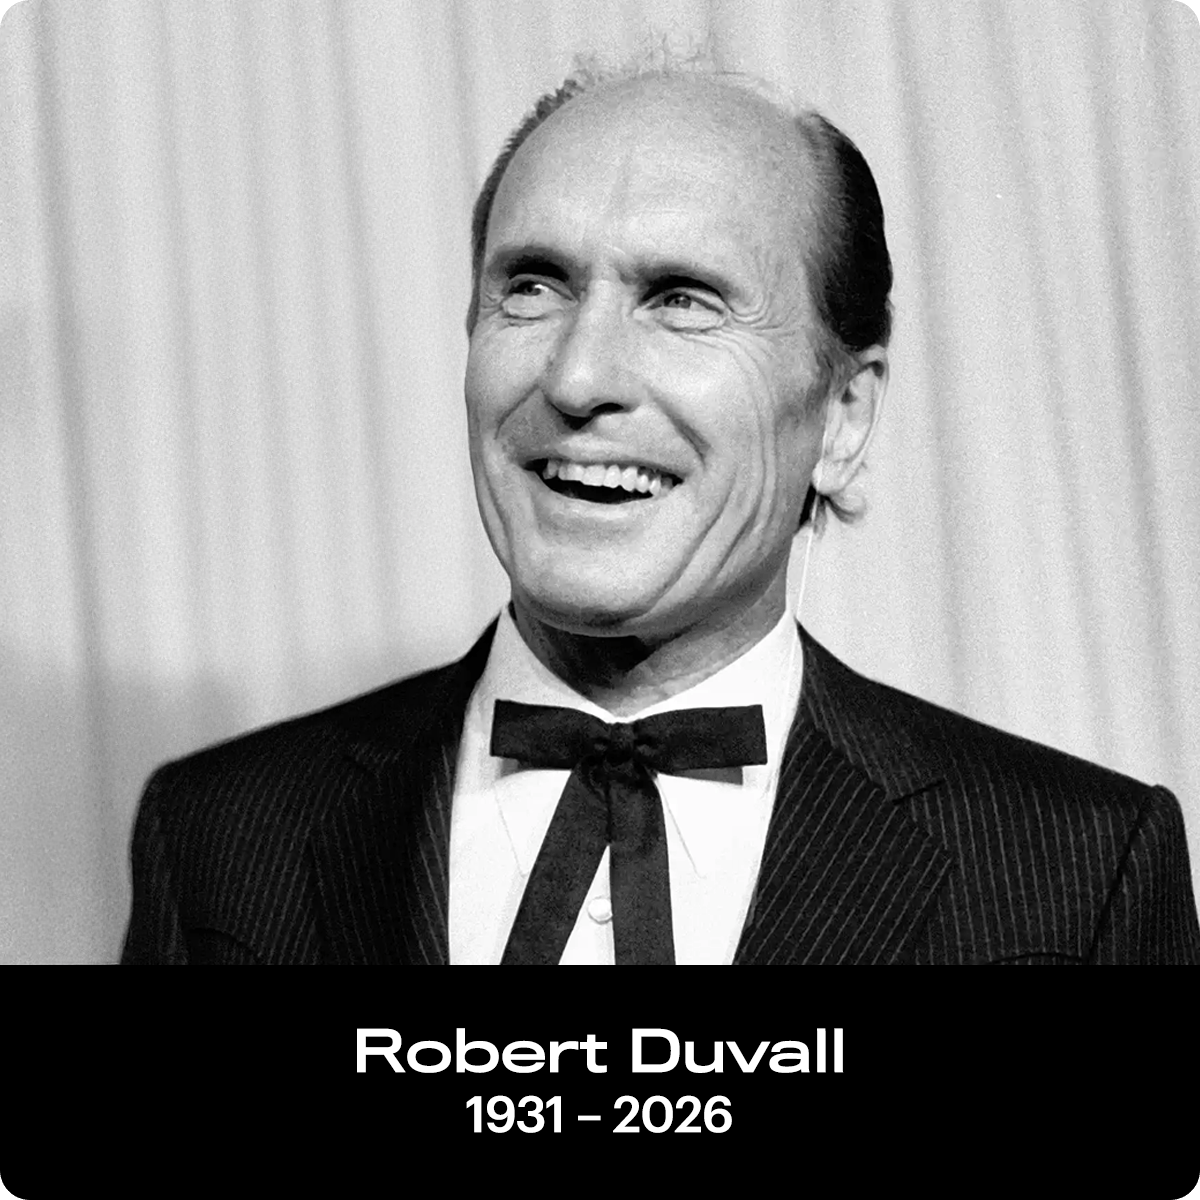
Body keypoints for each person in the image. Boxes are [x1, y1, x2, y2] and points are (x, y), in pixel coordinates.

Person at [121, 61, 1200, 965]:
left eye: (683, 300)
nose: (578, 377)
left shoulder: (1079, 878)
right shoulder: (217, 837)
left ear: (842, 416)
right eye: (533, 286)